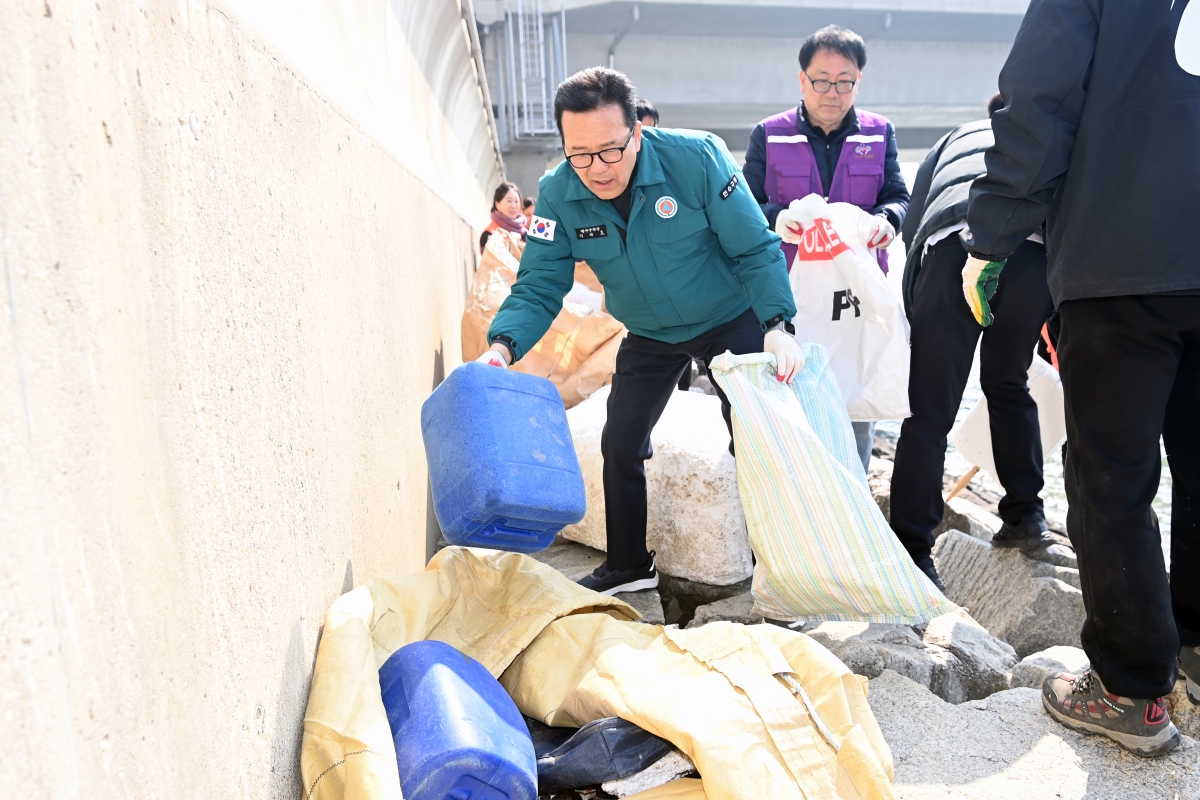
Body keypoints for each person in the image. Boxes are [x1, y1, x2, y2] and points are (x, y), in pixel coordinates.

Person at [962, 0, 1198, 757]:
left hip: (1116, 261)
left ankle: (1131, 689)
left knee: (1112, 477)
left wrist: (991, 236)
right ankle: (1193, 652)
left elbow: (1039, 100)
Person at [478, 67, 804, 595]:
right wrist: (502, 346)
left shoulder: (696, 159)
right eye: (579, 154)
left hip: (730, 314)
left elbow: (755, 247)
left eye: (610, 150)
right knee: (621, 440)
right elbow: (539, 284)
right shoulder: (558, 192)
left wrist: (778, 325)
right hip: (650, 330)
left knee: (756, 435)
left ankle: (780, 567)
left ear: (637, 130)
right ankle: (629, 565)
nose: (596, 169)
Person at [887, 93, 1054, 592]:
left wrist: (922, 291)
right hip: (1029, 253)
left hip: (950, 248)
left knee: (930, 410)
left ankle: (913, 548)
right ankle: (1026, 516)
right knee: (1008, 382)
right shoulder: (1048, 138)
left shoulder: (952, 138)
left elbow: (914, 221)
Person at [743, 25, 909, 472]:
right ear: (802, 80)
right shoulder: (770, 135)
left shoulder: (879, 133)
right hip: (787, 294)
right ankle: (797, 499)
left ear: (859, 80)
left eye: (844, 81)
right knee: (789, 397)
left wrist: (887, 221)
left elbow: (898, 196)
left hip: (853, 298)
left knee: (852, 399)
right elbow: (744, 206)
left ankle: (853, 503)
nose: (832, 92)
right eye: (821, 80)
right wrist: (777, 216)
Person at [479, 182, 527, 253]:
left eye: (516, 201)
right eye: (509, 201)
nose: (513, 206)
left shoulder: (526, 233)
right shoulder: (489, 234)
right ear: (497, 204)